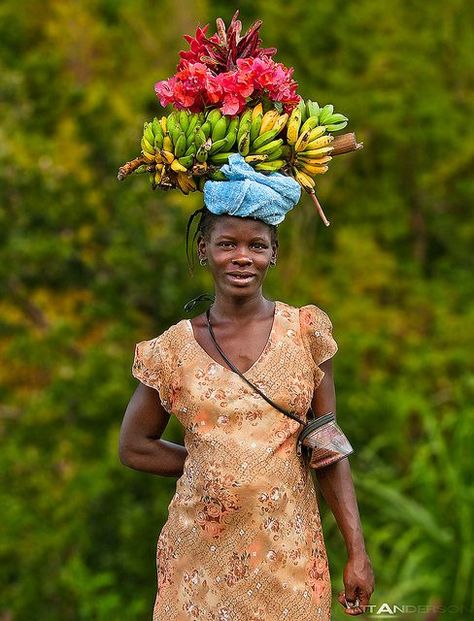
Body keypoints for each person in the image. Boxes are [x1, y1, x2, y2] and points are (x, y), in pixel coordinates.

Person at [119, 158, 374, 620]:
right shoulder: (173, 349)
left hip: (288, 556)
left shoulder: (305, 332)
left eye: (257, 245)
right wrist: (213, 467)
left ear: (273, 252)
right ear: (203, 250)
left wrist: (357, 551)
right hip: (199, 559)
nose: (243, 257)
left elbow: (328, 448)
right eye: (227, 244)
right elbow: (135, 446)